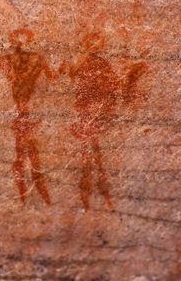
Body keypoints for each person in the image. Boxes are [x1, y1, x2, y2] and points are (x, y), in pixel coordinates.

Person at [61, 32, 147, 210]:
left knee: (93, 156)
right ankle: (93, 196)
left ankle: (95, 195)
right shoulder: (85, 64)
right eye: (90, 43)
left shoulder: (99, 64)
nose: (92, 46)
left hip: (93, 114)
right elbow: (78, 84)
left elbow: (112, 86)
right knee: (91, 156)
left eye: (95, 43)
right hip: (87, 114)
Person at [0, 28, 53, 204]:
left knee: (25, 154)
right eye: (19, 38)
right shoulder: (29, 59)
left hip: (23, 109)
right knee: (27, 154)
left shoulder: (23, 58)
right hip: (22, 110)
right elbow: (51, 76)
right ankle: (31, 194)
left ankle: (29, 194)